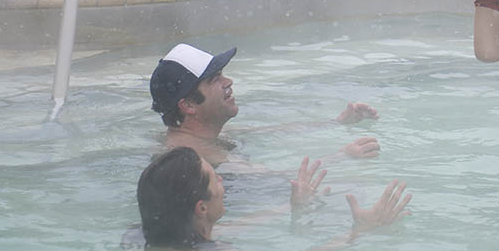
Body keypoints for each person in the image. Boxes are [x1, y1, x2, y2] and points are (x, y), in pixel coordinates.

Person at [135, 146, 411, 251]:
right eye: (213, 176)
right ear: (201, 208)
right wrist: (361, 232)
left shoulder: (158, 239)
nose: (221, 180)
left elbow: (244, 224)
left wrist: (292, 207)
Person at [150, 43, 381, 167]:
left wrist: (336, 122)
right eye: (215, 79)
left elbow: (270, 132)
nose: (228, 82)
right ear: (188, 105)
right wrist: (342, 157)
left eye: (223, 74)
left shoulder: (198, 135)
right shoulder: (199, 156)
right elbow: (277, 184)